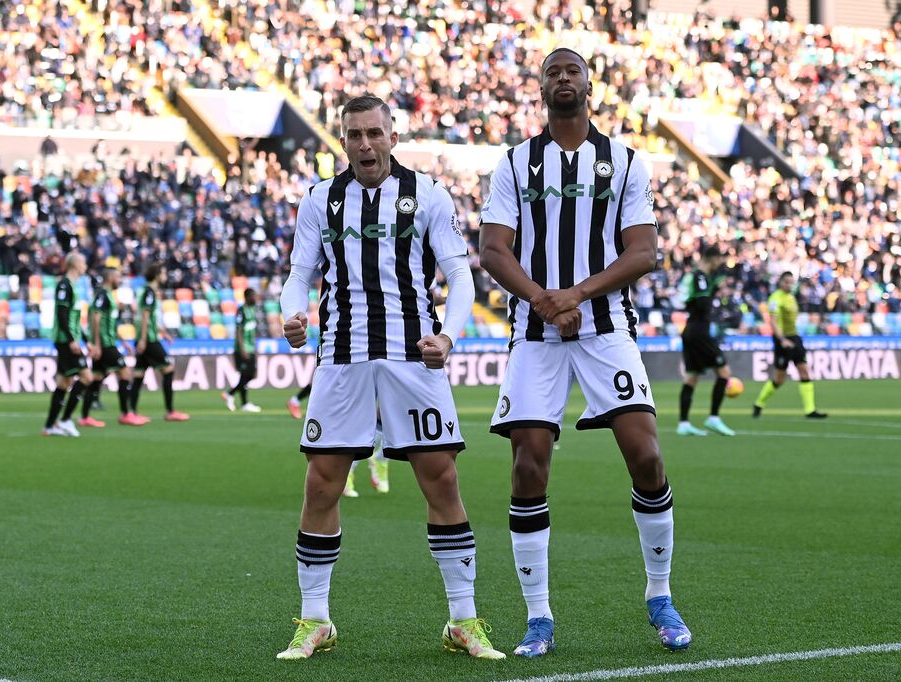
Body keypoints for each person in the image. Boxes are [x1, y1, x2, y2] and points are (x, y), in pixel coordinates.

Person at [479, 48, 692, 656]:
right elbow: (495, 250)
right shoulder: (516, 163)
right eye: (554, 72)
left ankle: (659, 595)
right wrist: (546, 302)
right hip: (536, 333)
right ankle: (539, 616)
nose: (564, 79)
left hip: (605, 329)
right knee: (528, 467)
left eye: (573, 70)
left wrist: (573, 293)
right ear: (541, 88)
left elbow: (643, 253)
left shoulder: (623, 162)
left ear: (589, 84)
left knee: (647, 455)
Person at [278, 94, 503, 661]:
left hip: (411, 355)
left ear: (392, 137)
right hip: (343, 358)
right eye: (354, 135)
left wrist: (448, 337)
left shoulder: (426, 194)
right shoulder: (320, 199)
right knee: (322, 484)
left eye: (374, 133)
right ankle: (314, 620)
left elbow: (457, 271)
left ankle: (463, 620)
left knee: (441, 480)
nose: (364, 144)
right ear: (344, 140)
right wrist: (291, 312)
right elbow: (298, 272)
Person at [676, 246, 735, 437]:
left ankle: (684, 423)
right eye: (719, 259)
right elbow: (701, 303)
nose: (720, 264)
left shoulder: (698, 277)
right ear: (712, 258)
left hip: (691, 330)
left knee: (691, 377)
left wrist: (714, 288)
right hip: (699, 332)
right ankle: (714, 418)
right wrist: (714, 288)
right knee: (724, 371)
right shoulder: (700, 276)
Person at [753, 272, 828, 419]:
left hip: (794, 337)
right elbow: (773, 321)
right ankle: (759, 403)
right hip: (782, 340)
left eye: (791, 282)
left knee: (804, 371)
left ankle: (810, 410)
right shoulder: (775, 298)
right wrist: (781, 339)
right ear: (780, 282)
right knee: (779, 379)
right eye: (786, 282)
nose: (789, 285)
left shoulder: (792, 297)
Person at [82, 267, 147, 427]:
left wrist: (123, 341)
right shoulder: (102, 295)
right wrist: (96, 344)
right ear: (110, 277)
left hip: (108, 342)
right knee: (125, 373)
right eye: (118, 277)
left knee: (96, 378)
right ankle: (126, 414)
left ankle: (84, 417)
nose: (120, 280)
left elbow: (108, 323)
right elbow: (95, 319)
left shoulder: (109, 296)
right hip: (105, 345)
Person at [129, 263, 189, 422]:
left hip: (147, 337)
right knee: (168, 370)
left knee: (138, 374)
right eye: (163, 273)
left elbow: (149, 317)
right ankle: (170, 411)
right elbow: (145, 315)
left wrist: (164, 333)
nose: (164, 276)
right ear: (156, 275)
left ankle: (130, 412)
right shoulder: (149, 292)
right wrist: (142, 339)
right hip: (148, 339)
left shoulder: (147, 291)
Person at [43, 252, 94, 437]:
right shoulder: (64, 285)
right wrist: (72, 340)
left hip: (70, 339)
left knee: (64, 382)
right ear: (75, 264)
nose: (85, 266)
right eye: (83, 262)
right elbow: (62, 315)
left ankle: (49, 426)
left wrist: (86, 340)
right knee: (87, 377)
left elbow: (75, 319)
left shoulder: (74, 286)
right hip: (65, 340)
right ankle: (65, 420)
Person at [222, 287, 262, 412]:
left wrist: (254, 347)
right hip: (242, 348)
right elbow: (238, 331)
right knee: (246, 374)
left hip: (250, 348)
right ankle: (243, 403)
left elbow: (252, 330)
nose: (255, 298)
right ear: (247, 297)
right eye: (253, 296)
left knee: (251, 375)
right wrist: (242, 349)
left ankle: (231, 395)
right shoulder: (241, 311)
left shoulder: (253, 310)